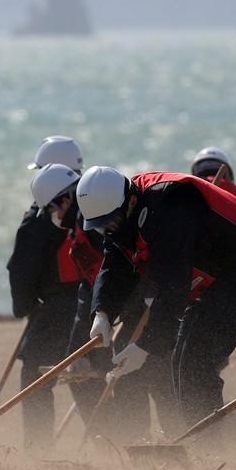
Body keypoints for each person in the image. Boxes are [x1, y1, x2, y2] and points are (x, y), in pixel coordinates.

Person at [77, 166, 236, 428]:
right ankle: (196, 435)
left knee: (196, 363)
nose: (107, 231)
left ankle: (208, 443)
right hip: (205, 281)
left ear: (131, 202)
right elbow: (114, 267)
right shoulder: (121, 221)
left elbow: (173, 290)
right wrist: (102, 312)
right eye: (100, 228)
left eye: (111, 223)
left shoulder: (170, 209)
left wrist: (145, 346)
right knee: (180, 361)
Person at [30, 163, 178, 442]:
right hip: (124, 309)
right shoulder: (80, 229)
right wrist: (83, 343)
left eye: (51, 210)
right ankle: (129, 442)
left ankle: (173, 436)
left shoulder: (97, 224)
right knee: (123, 374)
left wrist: (146, 300)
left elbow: (133, 262)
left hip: (147, 304)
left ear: (64, 201)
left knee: (152, 371)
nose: (52, 217)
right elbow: (89, 290)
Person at [6, 138, 86, 450]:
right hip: (97, 302)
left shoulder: (38, 221)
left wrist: (24, 307)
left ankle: (39, 450)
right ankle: (112, 438)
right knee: (90, 375)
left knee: (35, 377)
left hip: (58, 307)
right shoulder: (97, 197)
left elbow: (21, 270)